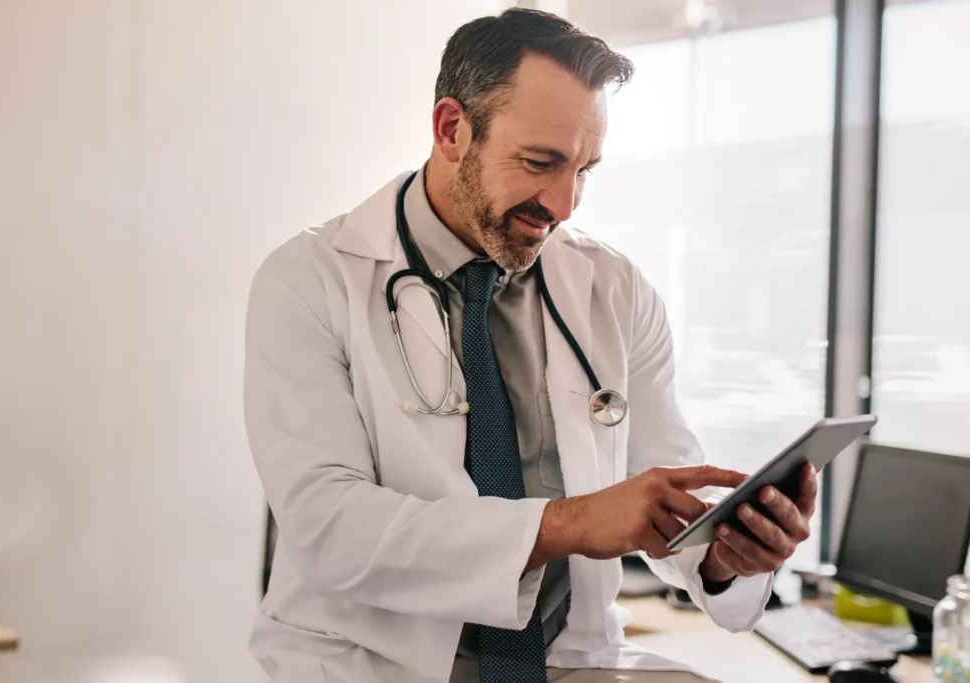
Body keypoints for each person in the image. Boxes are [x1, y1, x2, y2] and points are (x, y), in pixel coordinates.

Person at [243, 8, 818, 683]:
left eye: (584, 169)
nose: (566, 202)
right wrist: (569, 523)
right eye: (540, 162)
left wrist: (726, 555)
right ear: (452, 130)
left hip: (567, 662)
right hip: (368, 665)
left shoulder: (614, 290)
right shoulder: (310, 279)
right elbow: (328, 529)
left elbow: (664, 494)